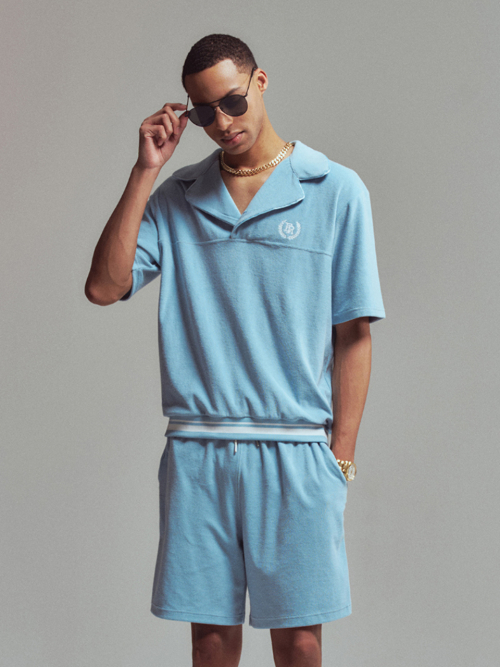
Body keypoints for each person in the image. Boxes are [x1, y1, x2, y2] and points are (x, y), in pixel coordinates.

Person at [85, 33, 385, 667]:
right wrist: (145, 171)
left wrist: (341, 457)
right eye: (203, 112)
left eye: (232, 102)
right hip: (198, 449)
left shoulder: (335, 189)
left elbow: (353, 333)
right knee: (211, 643)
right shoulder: (178, 196)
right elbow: (105, 286)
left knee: (300, 641)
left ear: (260, 82)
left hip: (295, 450)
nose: (222, 122)